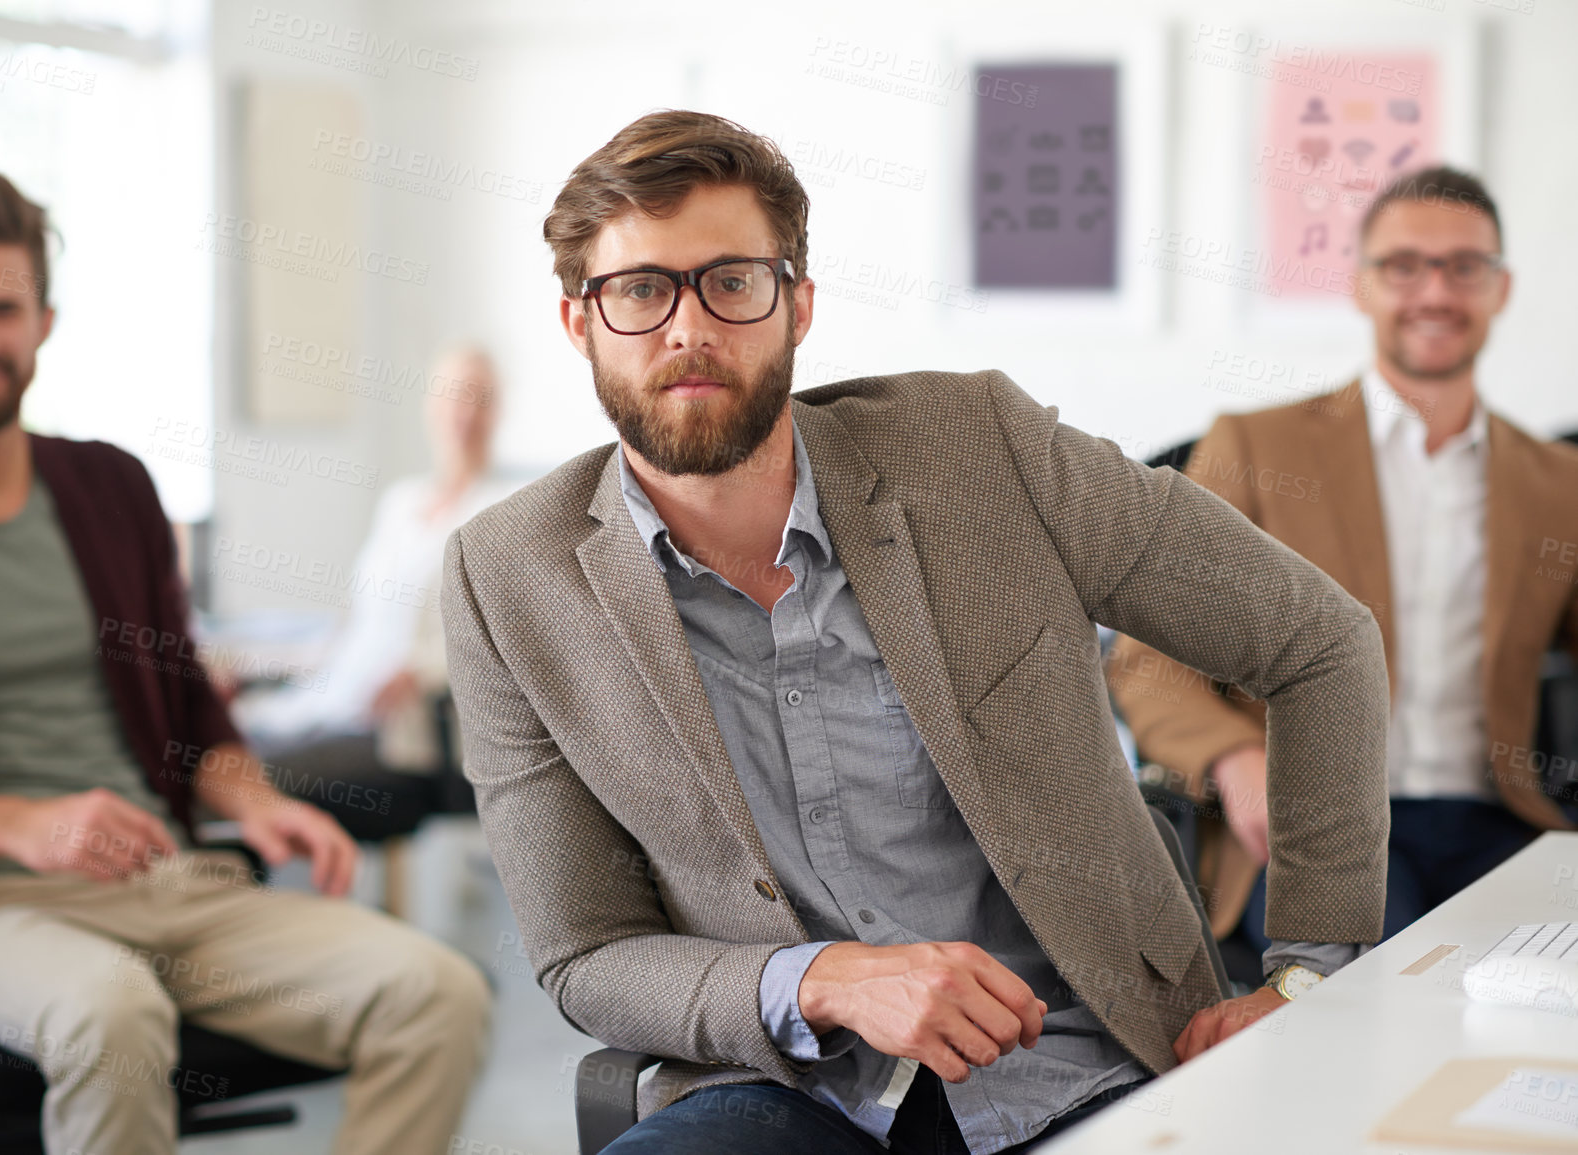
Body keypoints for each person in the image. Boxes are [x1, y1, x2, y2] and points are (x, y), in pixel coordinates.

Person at [440, 110, 1391, 1154]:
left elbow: (1319, 644)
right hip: (790, 1089)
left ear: (798, 304)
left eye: (733, 280)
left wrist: (1305, 978)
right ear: (580, 322)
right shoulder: (506, 577)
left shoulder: (982, 448)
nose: (688, 329)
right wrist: (818, 981)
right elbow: (588, 954)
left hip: (1090, 1060)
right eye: (639, 289)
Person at [0, 172, 489, 1155]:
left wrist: (258, 803)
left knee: (437, 994)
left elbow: (191, 711)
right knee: (113, 1019)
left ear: (44, 320)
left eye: (4, 309)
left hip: (171, 881)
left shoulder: (111, 487)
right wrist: (24, 826)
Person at [1109, 166, 1578, 956]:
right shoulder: (1257, 446)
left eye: (1464, 266)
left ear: (1500, 289)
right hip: (1317, 826)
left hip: (1497, 819)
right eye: (1403, 266)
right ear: (1360, 287)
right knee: (1384, 1003)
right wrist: (1233, 756)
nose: (1435, 291)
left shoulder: (1555, 478)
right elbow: (1146, 660)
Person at [233, 347, 516, 838]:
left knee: (246, 777)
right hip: (336, 697)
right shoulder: (401, 503)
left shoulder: (509, 509)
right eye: (453, 396)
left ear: (498, 411)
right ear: (431, 405)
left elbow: (509, 637)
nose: (464, 412)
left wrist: (425, 673)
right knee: (222, 748)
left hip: (402, 733)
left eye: (480, 398)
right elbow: (356, 620)